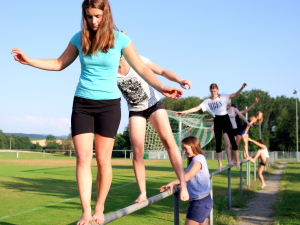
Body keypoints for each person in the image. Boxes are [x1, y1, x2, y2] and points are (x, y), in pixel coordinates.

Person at [12, 1, 185, 224]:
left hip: (109, 106)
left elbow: (142, 68)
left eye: (97, 16)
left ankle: (100, 208)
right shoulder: (79, 38)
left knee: (104, 160)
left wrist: (162, 87)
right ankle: (86, 211)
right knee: (83, 159)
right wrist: (30, 61)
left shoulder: (120, 39)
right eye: (89, 16)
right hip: (82, 103)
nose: (93, 21)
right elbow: (58, 63)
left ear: (106, 14)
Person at [117, 39, 191, 203]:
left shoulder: (139, 60)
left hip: (153, 104)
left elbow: (162, 71)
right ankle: (142, 193)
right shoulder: (109, 69)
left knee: (169, 142)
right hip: (136, 110)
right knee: (137, 152)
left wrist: (180, 80)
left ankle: (184, 185)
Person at [176, 83, 247, 170]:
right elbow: (196, 108)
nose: (213, 93)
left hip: (225, 118)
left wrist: (242, 87)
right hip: (217, 119)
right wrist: (183, 112)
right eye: (212, 91)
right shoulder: (207, 102)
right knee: (218, 142)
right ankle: (220, 165)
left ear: (218, 90)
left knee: (233, 140)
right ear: (210, 91)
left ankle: (238, 162)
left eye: (215, 91)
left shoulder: (224, 97)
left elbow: (236, 94)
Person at [160, 136, 213, 225]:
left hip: (200, 203)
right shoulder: (196, 159)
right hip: (203, 201)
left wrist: (173, 183)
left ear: (193, 146)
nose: (184, 151)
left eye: (185, 148)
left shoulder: (198, 159)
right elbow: (191, 179)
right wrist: (180, 185)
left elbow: (190, 175)